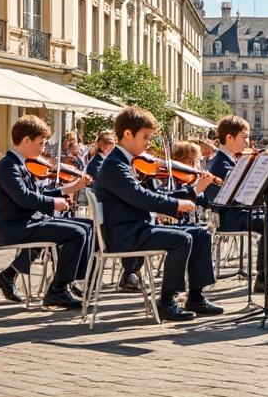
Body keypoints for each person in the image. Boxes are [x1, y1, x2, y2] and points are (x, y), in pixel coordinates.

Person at [94, 108, 222, 321]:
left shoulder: (126, 162)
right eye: (145, 137)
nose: (148, 144)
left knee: (200, 234)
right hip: (125, 234)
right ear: (127, 134)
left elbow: (153, 194)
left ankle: (196, 297)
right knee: (182, 239)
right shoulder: (115, 165)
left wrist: (189, 193)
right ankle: (166, 301)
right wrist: (176, 205)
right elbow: (142, 198)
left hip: (138, 228)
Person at [0, 115, 92, 310]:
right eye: (41, 143)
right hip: (15, 228)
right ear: (26, 140)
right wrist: (55, 203)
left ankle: (69, 282)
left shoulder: (21, 164)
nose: (43, 148)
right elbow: (25, 199)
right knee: (76, 233)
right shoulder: (9, 166)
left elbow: (37, 194)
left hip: (28, 222)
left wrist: (67, 189)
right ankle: (58, 290)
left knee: (87, 226)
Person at [204, 115, 268, 294]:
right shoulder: (219, 163)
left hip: (243, 212)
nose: (248, 141)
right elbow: (220, 197)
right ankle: (263, 278)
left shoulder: (232, 159)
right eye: (245, 136)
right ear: (229, 138)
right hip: (228, 217)